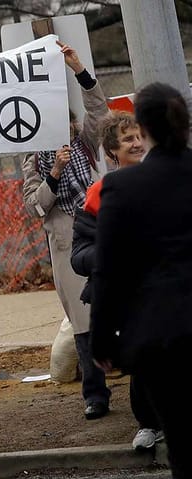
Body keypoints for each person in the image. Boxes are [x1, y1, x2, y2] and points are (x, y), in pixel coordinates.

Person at [90, 82, 192, 479]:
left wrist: (104, 338)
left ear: (144, 129)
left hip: (163, 337)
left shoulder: (124, 187)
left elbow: (110, 270)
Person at [21, 40, 110, 420]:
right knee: (82, 323)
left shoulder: (85, 144)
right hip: (66, 246)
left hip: (99, 234)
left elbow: (100, 110)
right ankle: (95, 395)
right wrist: (54, 172)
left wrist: (79, 71)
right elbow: (36, 205)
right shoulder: (34, 160)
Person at [70, 111, 162, 452]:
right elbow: (79, 255)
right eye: (127, 139)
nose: (136, 143)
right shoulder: (100, 195)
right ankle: (150, 425)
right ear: (112, 153)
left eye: (139, 136)